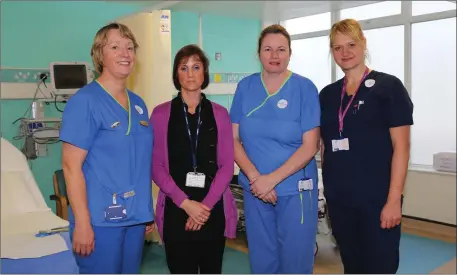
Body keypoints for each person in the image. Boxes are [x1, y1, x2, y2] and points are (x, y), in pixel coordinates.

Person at [319, 19, 414, 274]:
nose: (345, 52)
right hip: (340, 201)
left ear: (364, 44)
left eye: (351, 44)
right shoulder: (327, 95)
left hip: (378, 200)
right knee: (352, 264)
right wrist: (329, 195)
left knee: (380, 266)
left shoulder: (388, 87)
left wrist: (394, 199)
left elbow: (402, 147)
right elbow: (325, 147)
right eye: (337, 47)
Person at [59, 22, 155, 274]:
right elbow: (71, 167)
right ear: (100, 55)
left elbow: (139, 160)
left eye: (130, 47)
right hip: (99, 219)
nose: (125, 53)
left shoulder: (138, 104)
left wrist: (145, 211)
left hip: (134, 217)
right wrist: (82, 222)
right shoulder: (85, 102)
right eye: (115, 47)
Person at [230, 24, 321, 274]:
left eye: (281, 49)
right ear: (258, 53)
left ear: (290, 53)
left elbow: (310, 145)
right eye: (268, 49)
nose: (274, 55)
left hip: (295, 191)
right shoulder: (245, 88)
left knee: (296, 258)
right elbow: (233, 139)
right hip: (255, 189)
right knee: (262, 256)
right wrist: (257, 178)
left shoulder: (305, 88)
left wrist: (271, 180)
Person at [150, 44, 237, 274]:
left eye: (196, 67)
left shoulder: (220, 114)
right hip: (176, 208)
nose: (190, 74)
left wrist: (204, 208)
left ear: (204, 73)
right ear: (176, 74)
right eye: (183, 67)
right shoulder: (160, 114)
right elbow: (156, 167)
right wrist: (187, 204)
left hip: (212, 209)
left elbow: (227, 166)